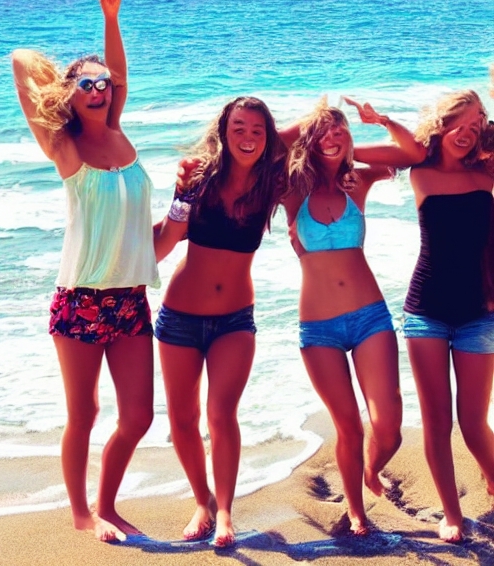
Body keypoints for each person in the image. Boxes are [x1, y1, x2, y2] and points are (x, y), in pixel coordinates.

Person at [11, 0, 159, 542]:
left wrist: (111, 19)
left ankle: (108, 504)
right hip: (80, 299)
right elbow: (20, 61)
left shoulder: (121, 137)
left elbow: (119, 74)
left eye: (103, 85)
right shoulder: (64, 147)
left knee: (138, 416)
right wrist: (63, 82)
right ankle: (81, 513)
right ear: (71, 97)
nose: (98, 91)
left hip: (130, 298)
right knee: (85, 413)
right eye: (86, 86)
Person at [352, 90, 494, 543]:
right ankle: (451, 514)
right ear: (442, 124)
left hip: (479, 314)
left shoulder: (486, 170)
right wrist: (383, 121)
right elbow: (347, 151)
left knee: (473, 423)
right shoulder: (419, 166)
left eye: (476, 126)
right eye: (460, 123)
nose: (467, 133)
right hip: (426, 311)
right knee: (437, 422)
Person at [283, 97, 426, 536]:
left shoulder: (358, 181)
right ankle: (356, 510)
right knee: (348, 427)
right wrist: (308, 131)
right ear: (309, 141)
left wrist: (376, 126)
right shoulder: (291, 189)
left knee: (389, 427)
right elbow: (262, 148)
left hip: (370, 318)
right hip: (319, 328)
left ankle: (371, 469)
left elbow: (413, 154)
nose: (331, 136)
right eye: (322, 132)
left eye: (338, 129)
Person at [153, 96, 287, 547]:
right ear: (223, 132)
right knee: (182, 419)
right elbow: (166, 242)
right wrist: (176, 199)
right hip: (179, 318)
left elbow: (309, 134)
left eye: (257, 130)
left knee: (221, 413)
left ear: (268, 137)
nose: (247, 137)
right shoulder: (198, 178)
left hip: (234, 320)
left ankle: (226, 512)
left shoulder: (272, 182)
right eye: (238, 128)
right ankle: (202, 501)